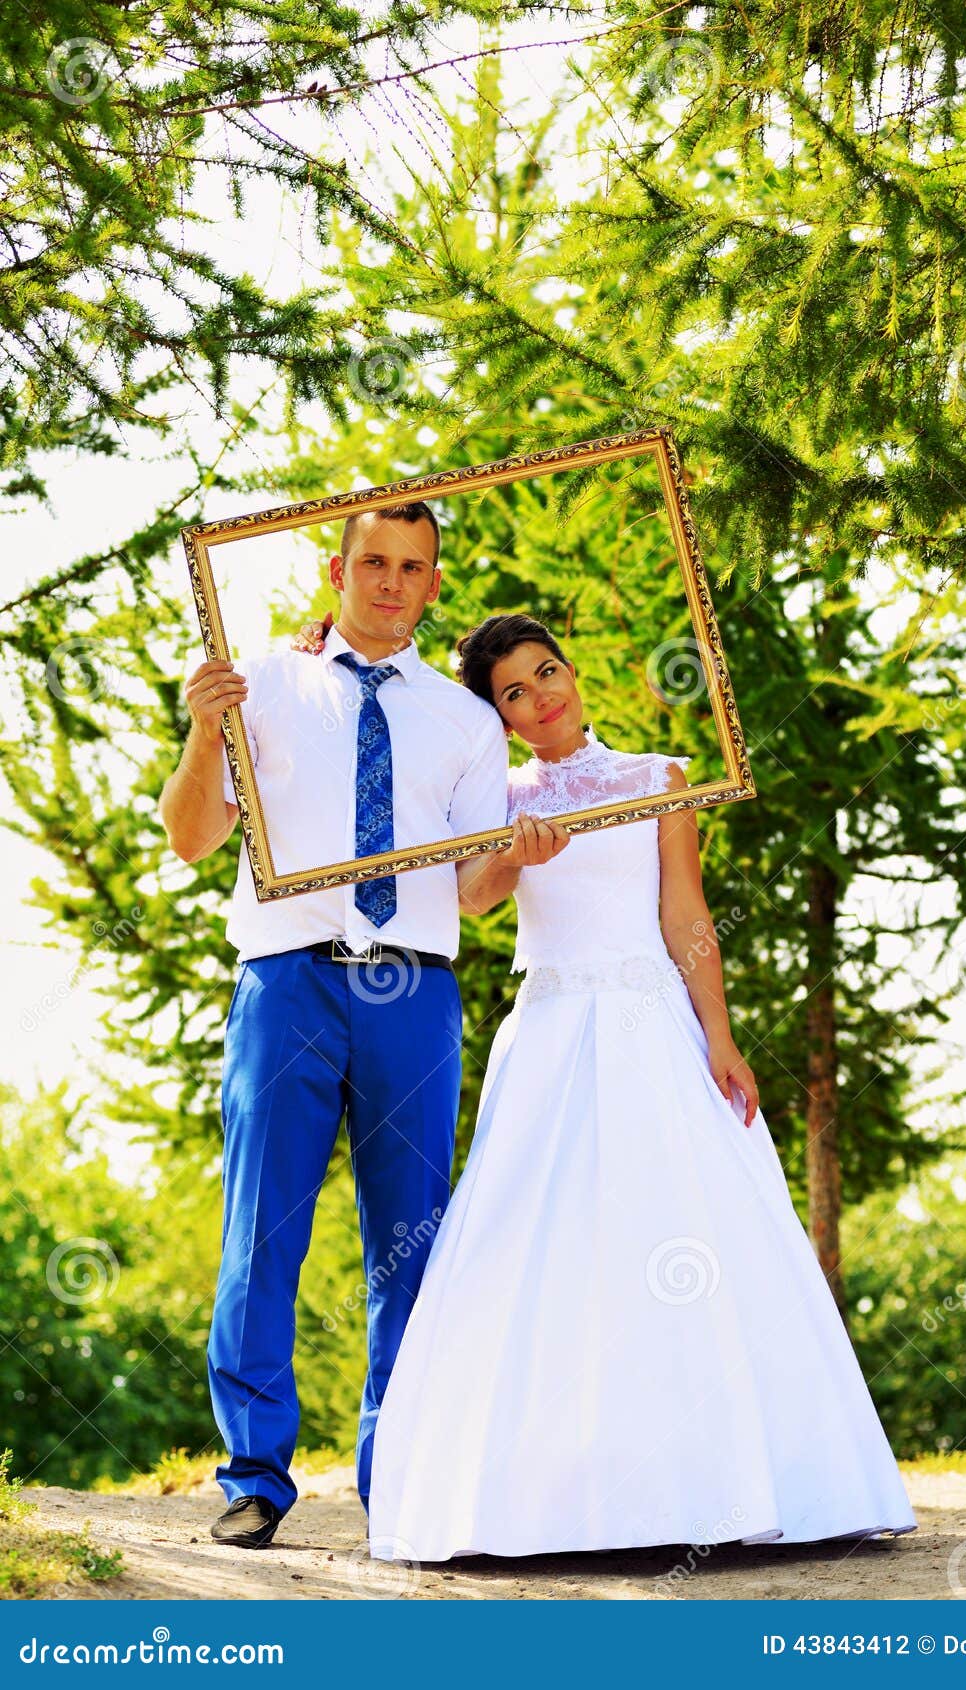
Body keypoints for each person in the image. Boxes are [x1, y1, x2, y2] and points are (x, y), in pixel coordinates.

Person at [292, 608, 918, 1561]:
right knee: (538, 1247)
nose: (539, 697)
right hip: (549, 1035)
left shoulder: (658, 778)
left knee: (683, 1239)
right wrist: (510, 850)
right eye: (513, 692)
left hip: (652, 1025)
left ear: (571, 671)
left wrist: (721, 1036)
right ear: (497, 715)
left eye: (546, 672)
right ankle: (557, 1500)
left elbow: (685, 915)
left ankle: (723, 1488)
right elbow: (471, 896)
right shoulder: (495, 795)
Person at [157, 505, 566, 1551]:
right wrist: (203, 729)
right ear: (337, 570)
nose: (391, 581)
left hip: (414, 993)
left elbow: (471, 891)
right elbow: (193, 837)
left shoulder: (466, 722)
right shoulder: (257, 683)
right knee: (260, 1233)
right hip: (287, 982)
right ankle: (254, 1475)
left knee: (411, 1242)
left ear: (434, 584)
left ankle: (403, 1481)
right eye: (374, 561)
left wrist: (517, 855)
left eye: (412, 567)